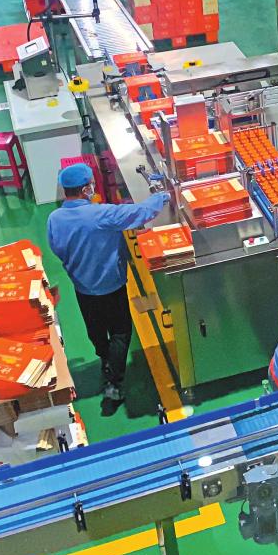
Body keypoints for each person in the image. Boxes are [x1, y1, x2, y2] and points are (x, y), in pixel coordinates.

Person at [47, 163, 169, 411]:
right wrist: (162, 196)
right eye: (91, 184)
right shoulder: (102, 215)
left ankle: (105, 360)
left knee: (96, 329)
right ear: (85, 189)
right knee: (121, 332)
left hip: (83, 288)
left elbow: (57, 248)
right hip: (111, 287)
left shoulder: (54, 219)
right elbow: (141, 213)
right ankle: (114, 383)